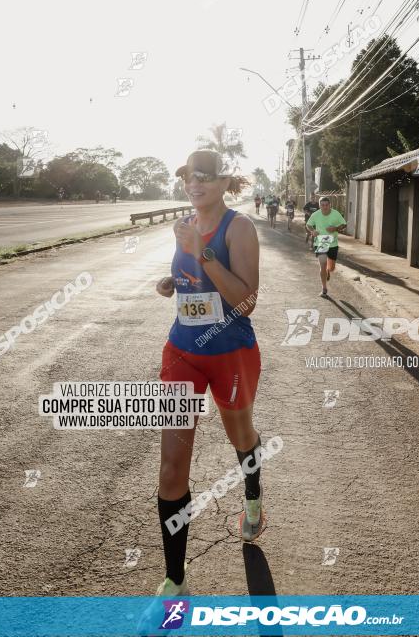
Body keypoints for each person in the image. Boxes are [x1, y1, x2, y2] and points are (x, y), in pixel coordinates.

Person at [153, 149, 265, 598]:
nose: (193, 184)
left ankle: (253, 495)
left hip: (231, 352)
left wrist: (203, 255)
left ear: (223, 183)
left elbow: (246, 302)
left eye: (204, 176)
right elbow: (187, 279)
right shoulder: (183, 226)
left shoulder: (239, 228)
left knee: (241, 439)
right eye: (187, 177)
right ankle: (175, 579)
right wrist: (172, 282)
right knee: (170, 468)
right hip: (182, 352)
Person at [306, 196, 347, 297]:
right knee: (322, 264)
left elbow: (344, 224)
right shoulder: (315, 215)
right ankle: (324, 288)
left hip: (333, 243)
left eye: (326, 205)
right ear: (319, 206)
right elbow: (308, 225)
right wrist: (312, 231)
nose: (324, 207)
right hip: (321, 242)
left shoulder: (335, 213)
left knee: (331, 268)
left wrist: (336, 228)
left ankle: (329, 270)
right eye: (322, 205)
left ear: (330, 205)